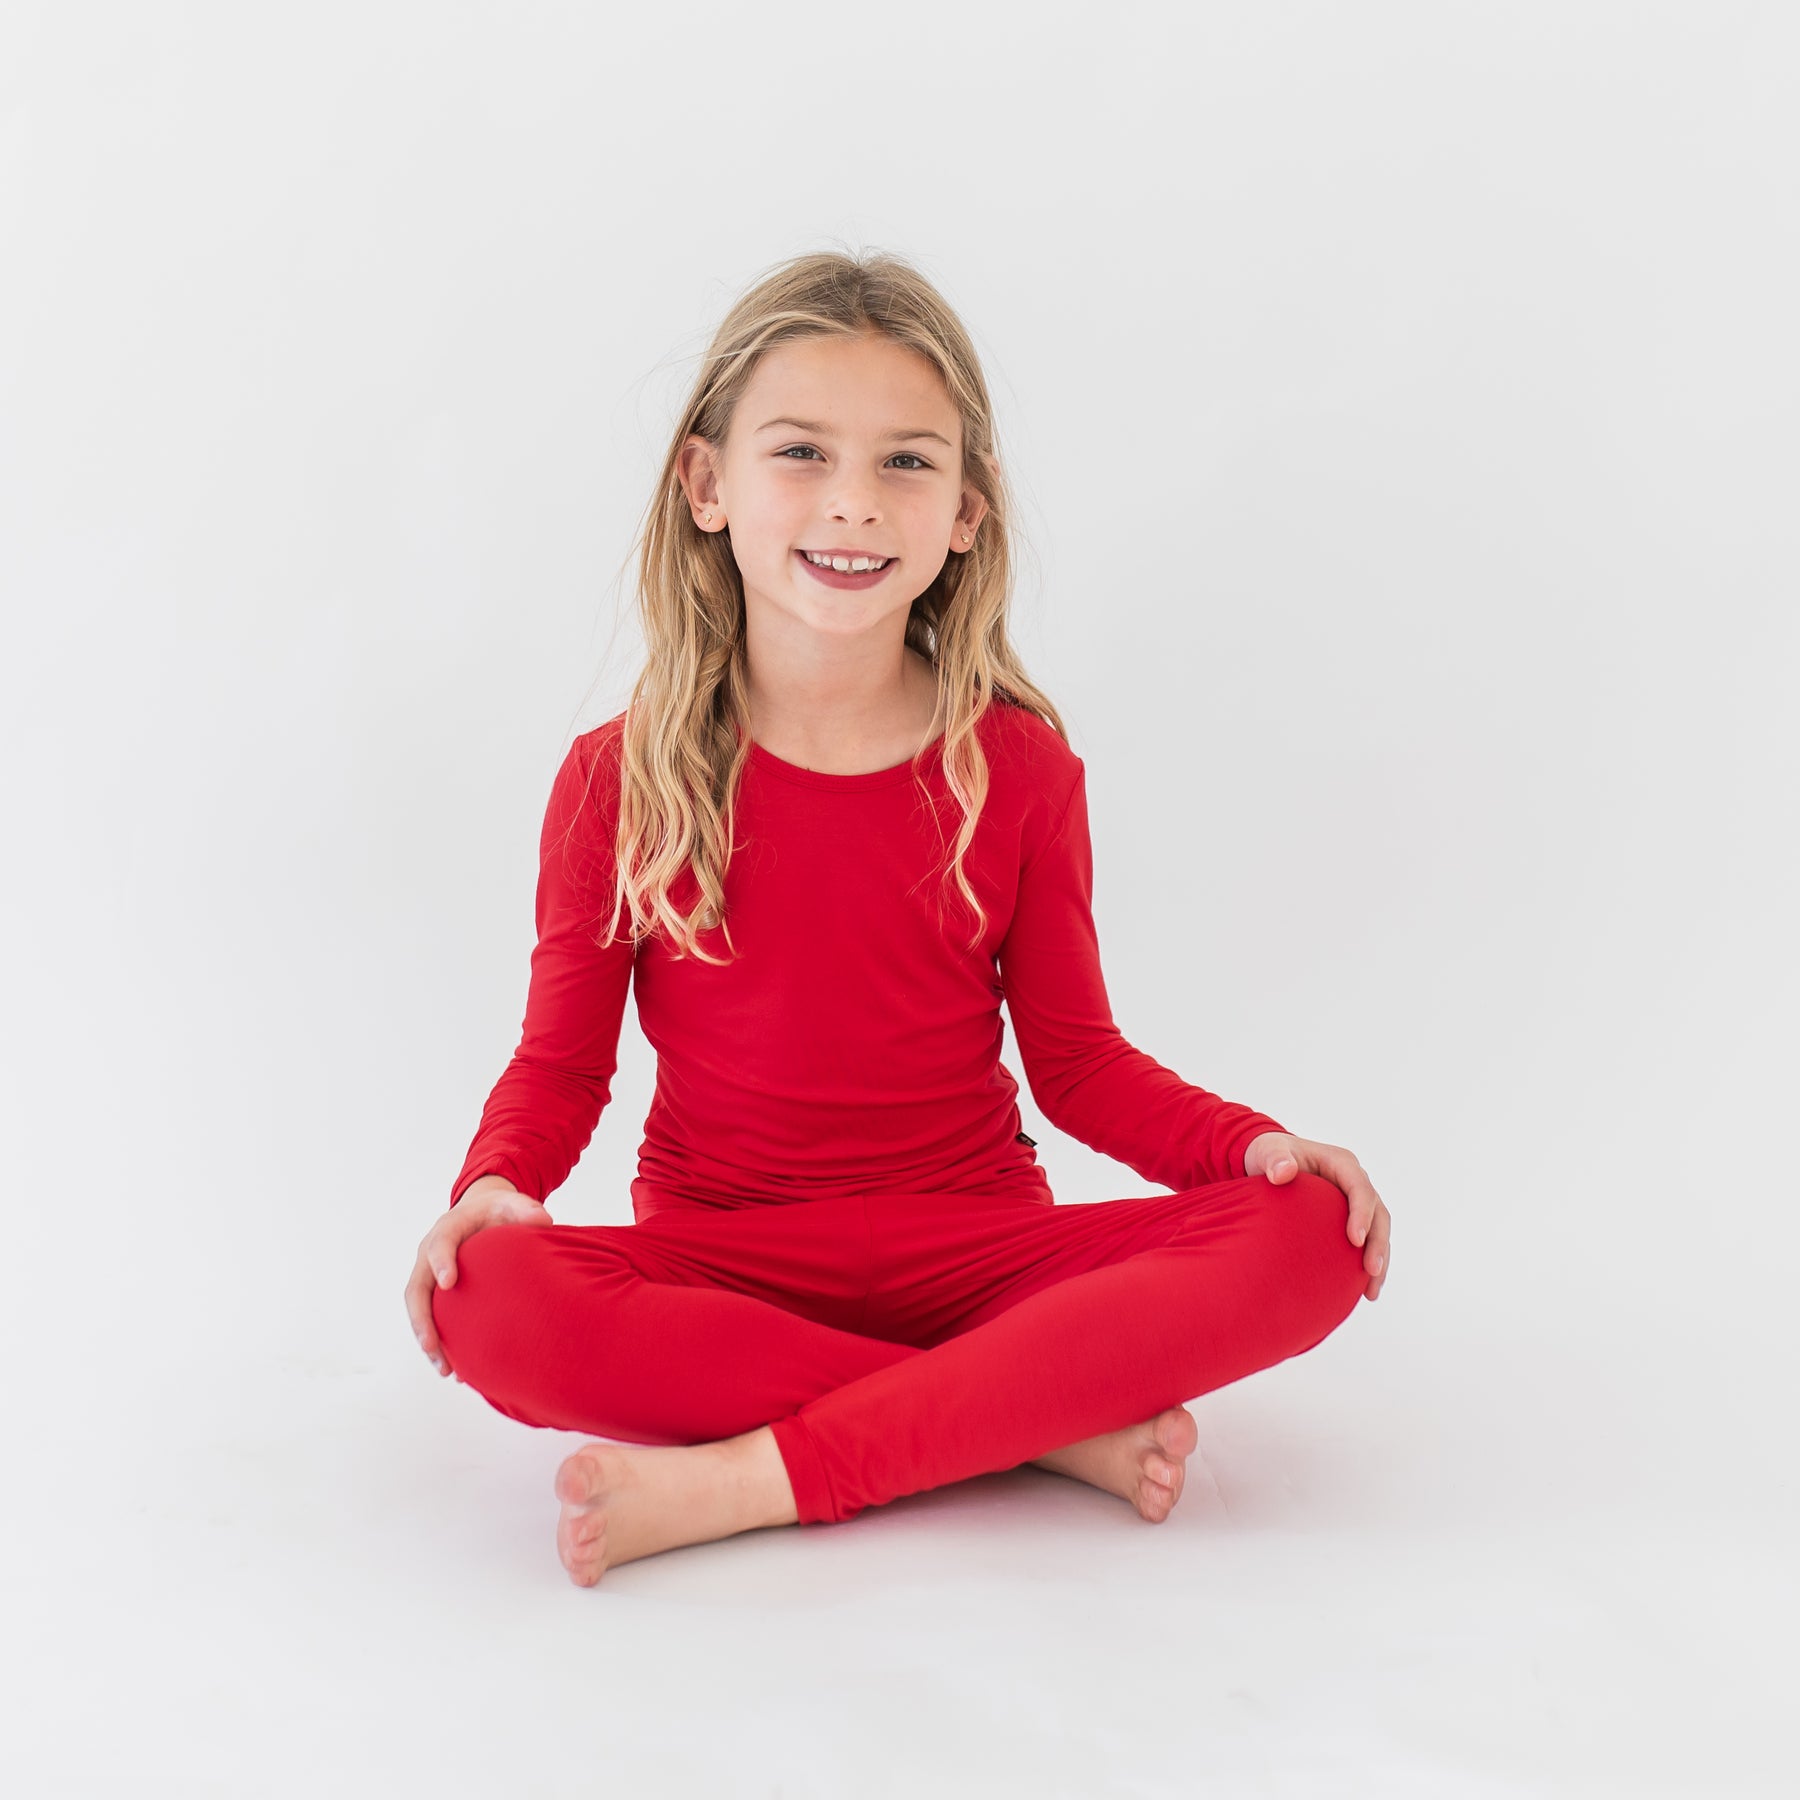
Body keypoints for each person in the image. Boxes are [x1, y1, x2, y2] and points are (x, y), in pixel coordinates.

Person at [403, 248, 1392, 1589]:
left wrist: (1254, 1148)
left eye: (908, 463)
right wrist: (498, 1185)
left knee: (1310, 1236)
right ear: (709, 485)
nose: (854, 504)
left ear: (967, 513)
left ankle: (757, 1478)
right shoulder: (618, 776)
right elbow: (565, 1064)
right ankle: (1026, 1428)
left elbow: (1082, 1065)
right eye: (801, 453)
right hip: (724, 1265)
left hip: (982, 1250)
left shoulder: (1021, 770)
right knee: (490, 1300)